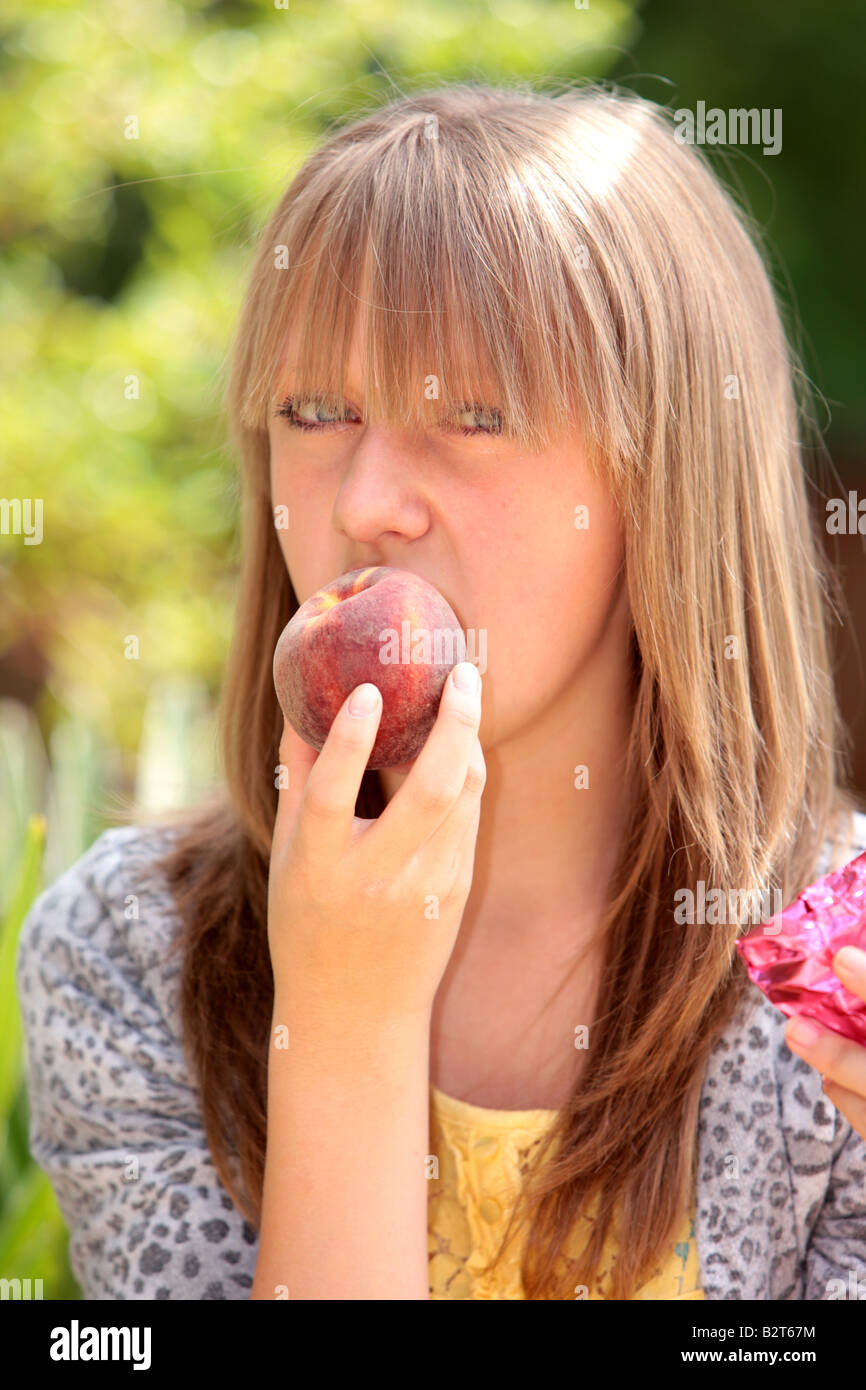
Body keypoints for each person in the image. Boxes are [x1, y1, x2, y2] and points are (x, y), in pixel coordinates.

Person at [16, 80, 866, 1301]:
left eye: (472, 415)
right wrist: (344, 1023)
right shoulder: (126, 957)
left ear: (667, 479)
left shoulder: (827, 974)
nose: (365, 503)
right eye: (314, 411)